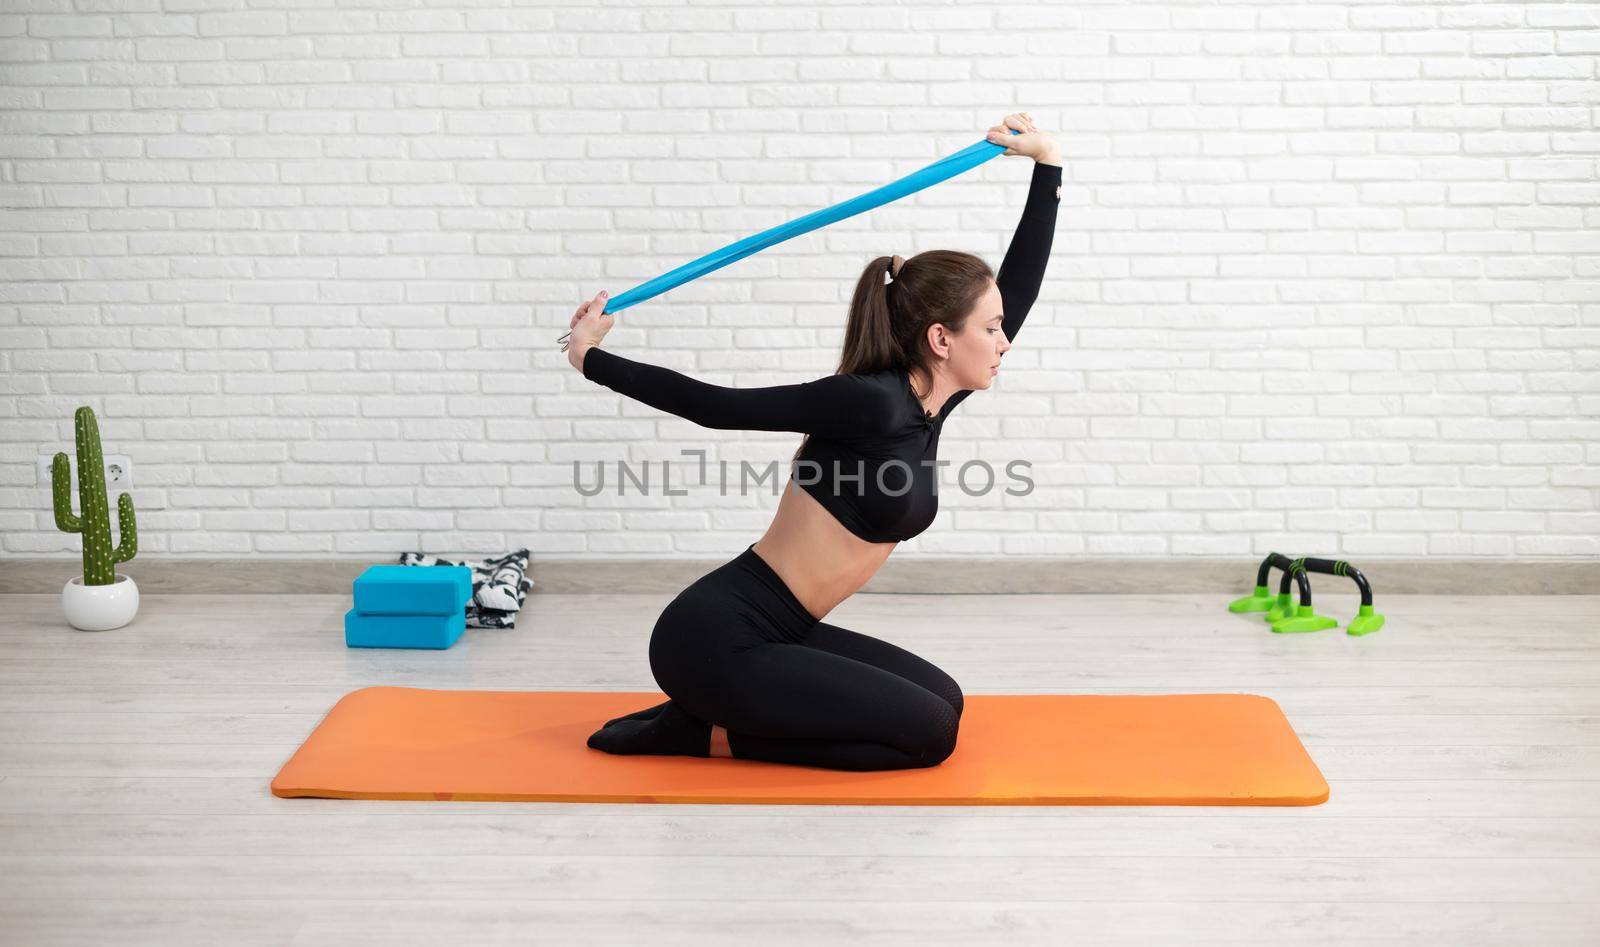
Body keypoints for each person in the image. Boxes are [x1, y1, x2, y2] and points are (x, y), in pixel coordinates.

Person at [564, 113, 1061, 771]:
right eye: (992, 329)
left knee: (946, 698)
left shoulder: (933, 400)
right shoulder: (869, 403)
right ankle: (704, 731)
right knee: (930, 732)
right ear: (942, 340)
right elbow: (717, 408)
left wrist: (1047, 166)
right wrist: (589, 358)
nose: (1005, 341)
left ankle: (700, 721)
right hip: (716, 638)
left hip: (781, 630)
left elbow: (1017, 290)